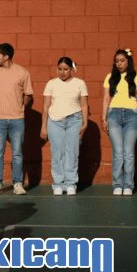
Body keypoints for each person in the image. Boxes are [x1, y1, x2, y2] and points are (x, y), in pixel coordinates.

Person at [0, 43, 33, 195]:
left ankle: (17, 183)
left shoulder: (22, 72)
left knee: (17, 153)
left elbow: (28, 95)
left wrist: (20, 108)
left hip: (17, 119)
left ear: (6, 56)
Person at [101, 49, 137, 195]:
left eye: (122, 61)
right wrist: (104, 118)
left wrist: (135, 106)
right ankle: (117, 185)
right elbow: (106, 99)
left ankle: (128, 185)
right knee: (118, 152)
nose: (119, 64)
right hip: (113, 115)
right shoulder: (110, 77)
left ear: (128, 61)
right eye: (117, 61)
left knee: (128, 152)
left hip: (131, 117)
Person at [40, 57, 88, 196]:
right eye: (60, 69)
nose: (62, 72)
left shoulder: (80, 83)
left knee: (72, 153)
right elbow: (45, 106)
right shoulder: (51, 84)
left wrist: (85, 123)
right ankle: (58, 184)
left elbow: (84, 105)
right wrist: (43, 126)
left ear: (71, 69)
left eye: (66, 69)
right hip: (54, 122)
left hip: (74, 120)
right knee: (57, 153)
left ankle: (71, 183)